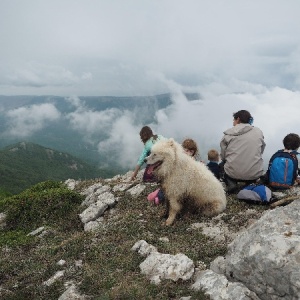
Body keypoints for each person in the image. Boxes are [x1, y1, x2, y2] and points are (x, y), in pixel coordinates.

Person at [220, 110, 266, 193]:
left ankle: (232, 183)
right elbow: (261, 150)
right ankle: (250, 183)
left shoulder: (228, 134)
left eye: (234, 120)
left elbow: (223, 156)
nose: (233, 122)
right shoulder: (258, 132)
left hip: (232, 173)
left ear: (238, 119)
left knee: (222, 165)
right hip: (254, 174)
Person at [147, 138, 199, 205]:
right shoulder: (178, 159)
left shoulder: (193, 162)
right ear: (182, 150)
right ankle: (158, 192)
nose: (188, 153)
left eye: (191, 151)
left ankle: (159, 197)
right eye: (186, 150)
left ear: (194, 153)